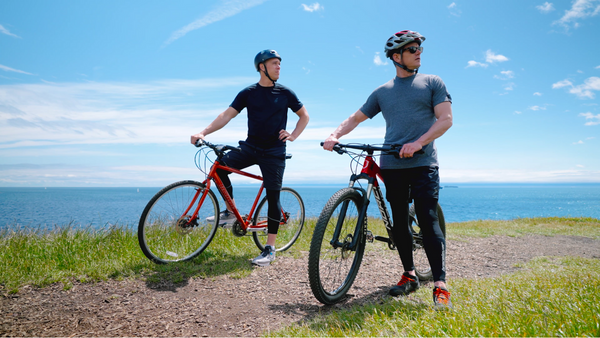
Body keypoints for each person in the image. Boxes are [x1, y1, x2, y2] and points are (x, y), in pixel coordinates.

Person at [322, 30, 453, 309]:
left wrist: (418, 143)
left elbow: (445, 120)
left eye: (419, 47)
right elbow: (355, 118)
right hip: (392, 163)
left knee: (428, 220)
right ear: (397, 56)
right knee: (398, 223)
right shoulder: (382, 92)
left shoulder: (432, 82)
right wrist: (334, 136)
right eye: (412, 48)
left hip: (423, 162)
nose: (419, 52)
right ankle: (410, 274)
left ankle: (440, 283)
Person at [191, 49, 309, 267]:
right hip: (251, 147)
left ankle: (270, 249)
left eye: (280, 64)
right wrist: (203, 132)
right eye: (274, 63)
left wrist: (292, 135)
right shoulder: (248, 93)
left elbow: (304, 116)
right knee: (221, 167)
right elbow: (226, 115)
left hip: (274, 152)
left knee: (273, 196)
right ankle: (231, 211)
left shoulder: (285, 93)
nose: (279, 67)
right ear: (262, 67)